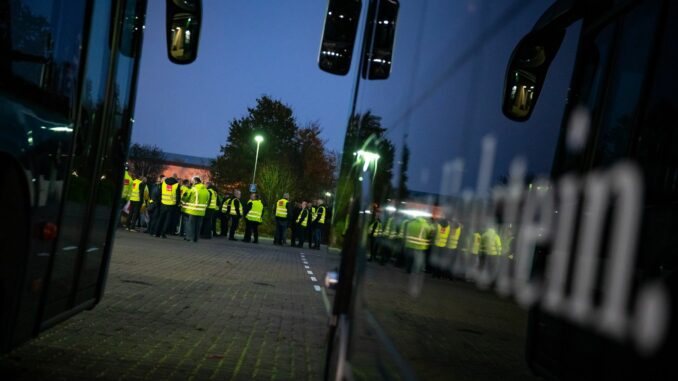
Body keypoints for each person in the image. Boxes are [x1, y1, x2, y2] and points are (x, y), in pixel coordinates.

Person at [182, 176, 210, 242]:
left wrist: (184, 197)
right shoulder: (206, 190)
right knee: (198, 226)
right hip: (202, 211)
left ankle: (190, 237)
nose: (191, 183)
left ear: (195, 181)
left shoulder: (193, 189)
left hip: (193, 210)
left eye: (192, 181)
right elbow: (207, 201)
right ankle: (196, 238)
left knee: (191, 225)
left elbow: (186, 198)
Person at [153, 173, 180, 238]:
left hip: (163, 203)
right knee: (167, 220)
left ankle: (156, 233)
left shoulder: (164, 183)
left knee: (160, 218)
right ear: (176, 178)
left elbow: (160, 192)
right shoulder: (177, 185)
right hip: (171, 205)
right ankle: (163, 234)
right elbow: (178, 196)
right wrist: (177, 203)